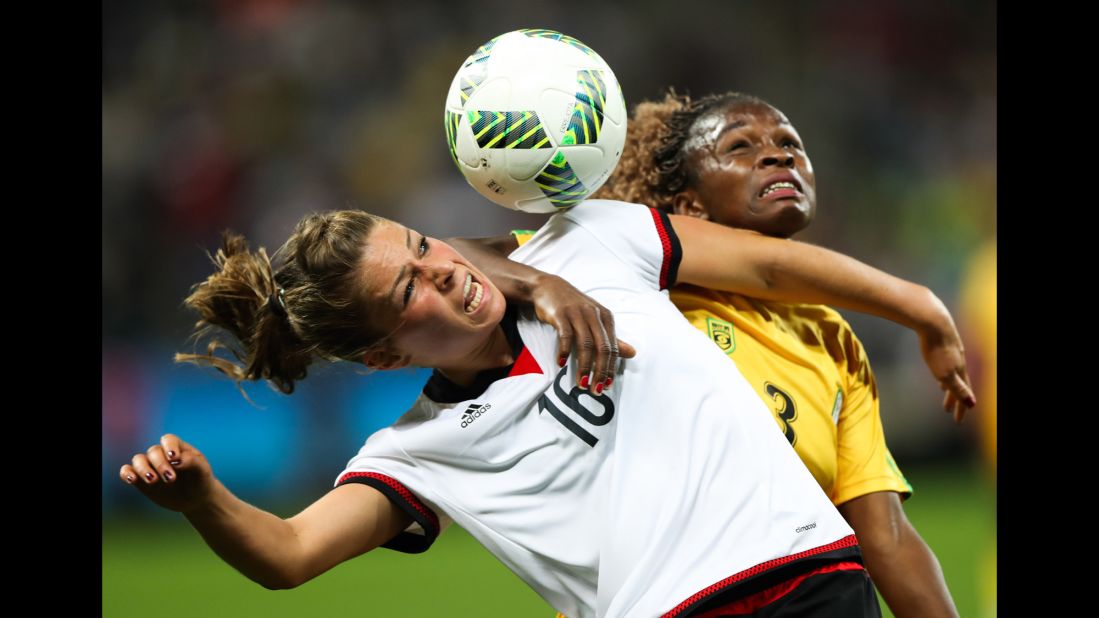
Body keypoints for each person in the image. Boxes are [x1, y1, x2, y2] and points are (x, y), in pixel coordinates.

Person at [120, 200, 971, 617]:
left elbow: (771, 268)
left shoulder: (590, 242)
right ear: (382, 354)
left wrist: (919, 307)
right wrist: (202, 500)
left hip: (816, 578)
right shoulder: (414, 451)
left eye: (423, 246)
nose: (442, 270)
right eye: (408, 286)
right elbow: (291, 552)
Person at [585, 90, 968, 617]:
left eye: (790, 143)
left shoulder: (829, 335)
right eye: (740, 146)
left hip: (796, 595)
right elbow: (488, 255)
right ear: (689, 207)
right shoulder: (638, 297)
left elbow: (887, 536)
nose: (778, 155)